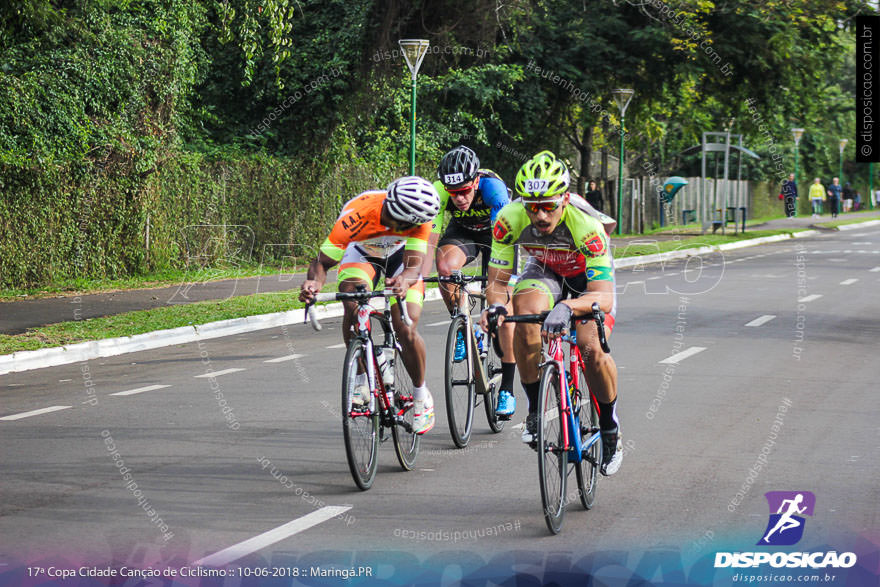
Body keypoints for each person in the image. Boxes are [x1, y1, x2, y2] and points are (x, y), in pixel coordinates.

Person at [479, 151, 622, 476]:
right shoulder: (508, 219)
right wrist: (496, 307)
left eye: (549, 206)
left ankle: (609, 425)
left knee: (590, 348)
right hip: (545, 269)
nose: (541, 215)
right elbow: (498, 283)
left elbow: (604, 298)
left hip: (587, 280)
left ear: (565, 199)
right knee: (525, 318)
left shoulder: (586, 226)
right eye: (533, 207)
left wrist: (567, 306)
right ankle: (533, 410)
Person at [299, 176, 441, 434]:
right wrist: (313, 283)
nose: (415, 226)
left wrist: (404, 282)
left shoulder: (421, 219)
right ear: (399, 213)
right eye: (410, 223)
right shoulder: (358, 216)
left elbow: (413, 268)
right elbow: (321, 263)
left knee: (405, 325)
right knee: (351, 298)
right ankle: (363, 379)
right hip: (363, 253)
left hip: (400, 258)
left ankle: (422, 396)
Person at [425, 146, 519, 417]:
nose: (460, 198)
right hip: (463, 232)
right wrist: (417, 275)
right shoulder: (440, 192)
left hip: (497, 235)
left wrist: (497, 290)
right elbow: (430, 241)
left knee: (500, 303)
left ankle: (507, 390)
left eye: (465, 191)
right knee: (444, 266)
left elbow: (503, 245)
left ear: (476, 181)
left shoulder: (494, 190)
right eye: (454, 193)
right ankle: (461, 323)